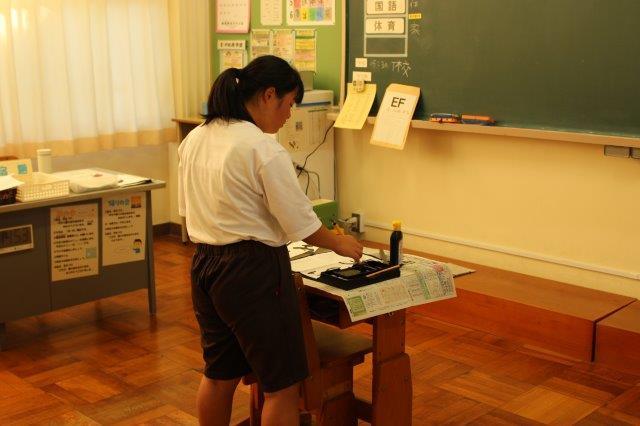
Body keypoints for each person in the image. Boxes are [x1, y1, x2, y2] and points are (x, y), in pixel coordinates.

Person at [178, 55, 363, 426]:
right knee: (282, 386)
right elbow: (300, 222)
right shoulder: (261, 148)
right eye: (289, 104)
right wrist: (339, 243)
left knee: (219, 374)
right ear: (268, 95)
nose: (289, 115)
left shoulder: (196, 137)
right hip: (251, 271)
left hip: (205, 266)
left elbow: (188, 211)